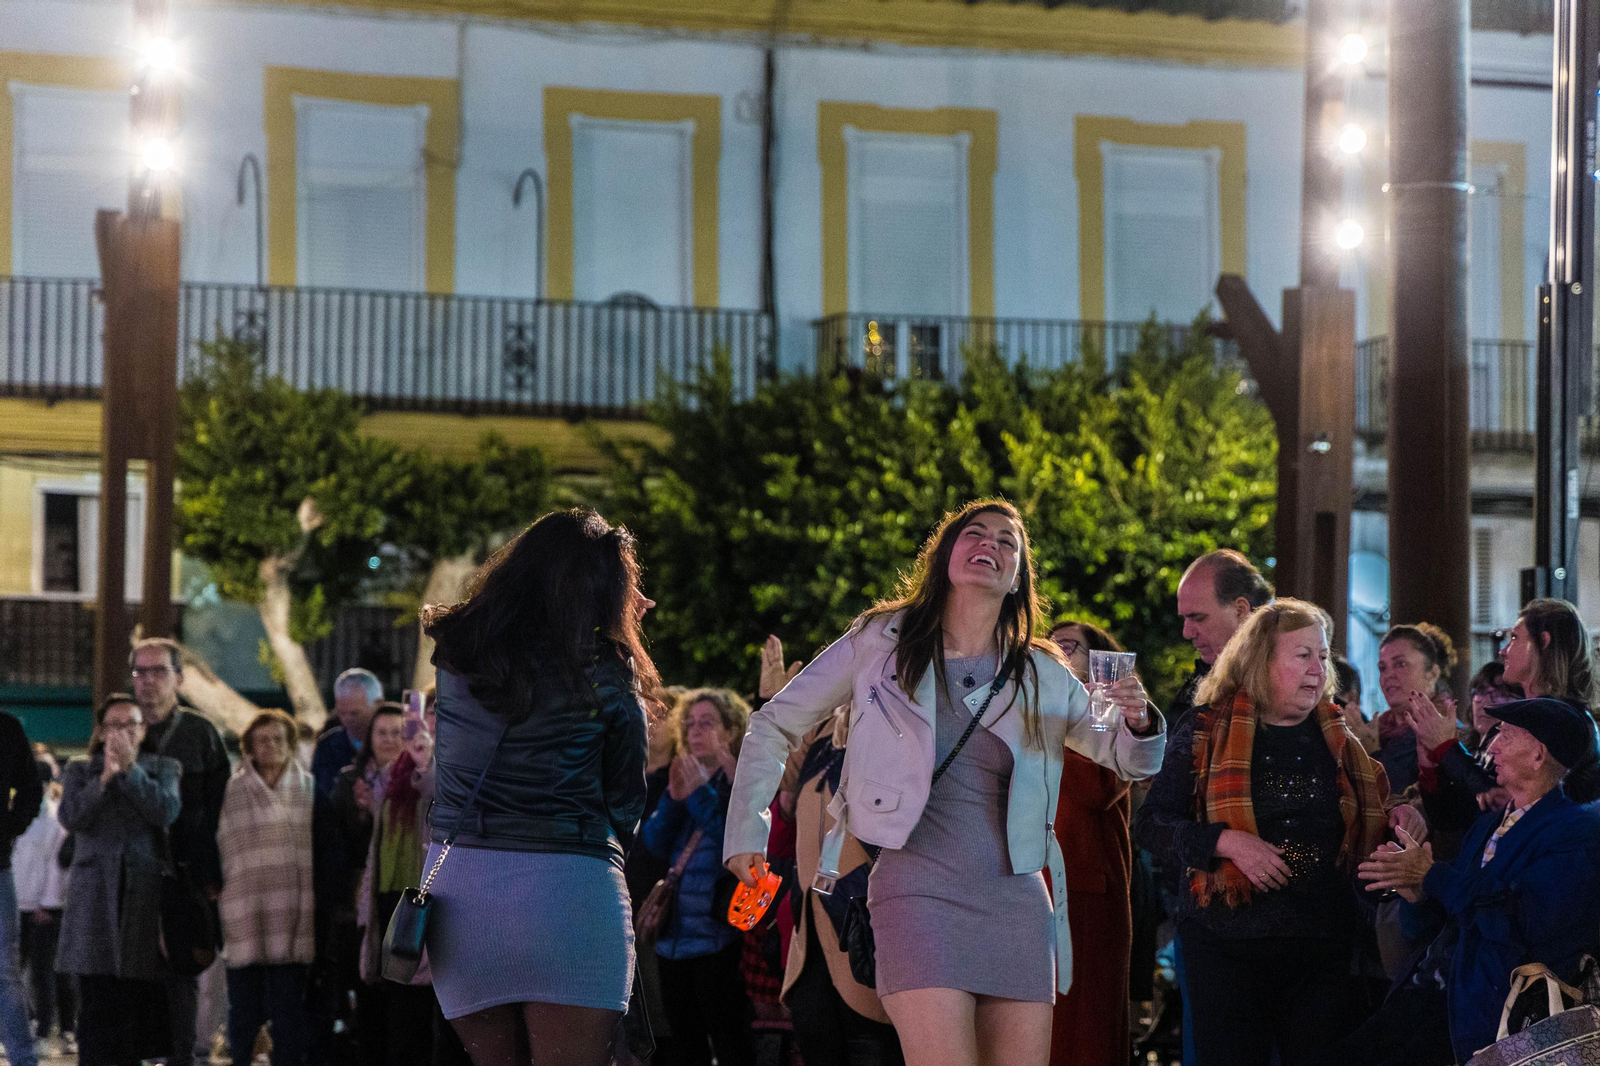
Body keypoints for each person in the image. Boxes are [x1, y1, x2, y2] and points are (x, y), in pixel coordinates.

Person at [725, 500, 1167, 1066]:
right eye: (975, 533)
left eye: (1009, 542)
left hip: (1017, 900)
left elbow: (1128, 759)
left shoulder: (1041, 672)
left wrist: (1139, 717)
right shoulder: (880, 640)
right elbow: (773, 722)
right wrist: (745, 832)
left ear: (1017, 579)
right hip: (915, 890)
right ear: (946, 554)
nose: (992, 544)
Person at [1132, 599, 1411, 1066]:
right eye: (1303, 655)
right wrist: (1225, 842)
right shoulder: (1206, 729)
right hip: (1225, 948)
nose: (1317, 669)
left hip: (1321, 949)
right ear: (1261, 661)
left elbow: (1370, 823)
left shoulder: (1339, 737)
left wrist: (1401, 819)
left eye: (1322, 657)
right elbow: (1152, 823)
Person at [420, 508, 652, 1066]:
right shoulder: (607, 671)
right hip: (568, 889)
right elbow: (625, 804)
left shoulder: (457, 654)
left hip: (463, 889)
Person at [1356, 697, 1600, 1063]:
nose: (1493, 745)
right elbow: (1439, 921)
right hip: (1437, 992)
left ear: (1538, 756)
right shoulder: (1488, 825)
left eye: (1507, 736)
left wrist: (1433, 875)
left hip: (1493, 1018)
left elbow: (1519, 922)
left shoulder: (1574, 831)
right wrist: (1416, 895)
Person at [58, 694, 182, 1066]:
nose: (121, 733)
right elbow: (72, 818)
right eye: (114, 725)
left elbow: (165, 811)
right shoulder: (80, 769)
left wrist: (131, 773)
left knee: (135, 1000)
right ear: (100, 731)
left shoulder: (163, 767)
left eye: (130, 725)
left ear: (143, 731)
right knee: (95, 997)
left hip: (140, 893)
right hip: (92, 895)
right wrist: (105, 779)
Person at [129, 637, 230, 1066]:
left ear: (180, 679)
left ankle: (181, 1057)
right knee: (128, 973)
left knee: (182, 971)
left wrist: (211, 875)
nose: (148, 681)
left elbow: (220, 809)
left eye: (159, 671)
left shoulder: (200, 733)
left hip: (185, 872)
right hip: (130, 872)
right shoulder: (120, 725)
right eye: (140, 672)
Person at [641, 689, 755, 1066]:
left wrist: (698, 796)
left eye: (707, 723)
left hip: (720, 935)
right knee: (685, 1042)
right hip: (674, 936)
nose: (694, 731)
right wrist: (675, 799)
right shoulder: (685, 773)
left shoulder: (741, 780)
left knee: (729, 1039)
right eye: (689, 723)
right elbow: (655, 842)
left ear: (732, 729)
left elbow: (734, 842)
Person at [1044, 620, 1133, 1066]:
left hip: (1085, 895)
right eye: (1050, 645)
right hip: (1026, 891)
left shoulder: (1114, 720)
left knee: (1082, 1037)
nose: (1056, 653)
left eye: (1070, 647)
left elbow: (1095, 787)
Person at [217, 709, 316, 1066]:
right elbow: (224, 844)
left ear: (290, 745)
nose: (270, 746)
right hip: (244, 909)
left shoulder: (308, 789)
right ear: (249, 748)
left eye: (278, 739)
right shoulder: (232, 791)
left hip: (292, 912)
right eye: (262, 740)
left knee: (288, 1012)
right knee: (243, 1011)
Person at [354, 707, 437, 1066]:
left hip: (425, 898)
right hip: (392, 898)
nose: (393, 739)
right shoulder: (390, 775)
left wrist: (424, 765)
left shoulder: (434, 769)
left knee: (425, 1006)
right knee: (399, 1004)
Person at [333, 703, 406, 1066]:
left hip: (400, 890)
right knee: (365, 989)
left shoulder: (415, 778)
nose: (390, 739)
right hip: (360, 898)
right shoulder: (351, 780)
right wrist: (362, 814)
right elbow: (339, 840)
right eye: (382, 732)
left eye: (398, 732)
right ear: (369, 738)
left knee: (399, 991)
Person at [1408, 660, 1522, 861]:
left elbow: (1493, 799)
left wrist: (1445, 748)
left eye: (1498, 693)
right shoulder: (1468, 745)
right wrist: (1429, 767)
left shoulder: (1517, 750)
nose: (1482, 701)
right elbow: (1447, 819)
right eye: (1478, 691)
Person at [1170, 551, 1274, 734]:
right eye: (1184, 619)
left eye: (1198, 618)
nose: (1186, 633)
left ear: (1240, 610)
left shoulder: (1282, 683)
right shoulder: (1197, 681)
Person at [16, 758, 73, 1057]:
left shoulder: (54, 821)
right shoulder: (16, 816)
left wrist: (46, 904)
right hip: (16, 904)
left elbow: (56, 868)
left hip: (41, 909)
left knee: (44, 972)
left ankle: (46, 1029)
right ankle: (22, 1024)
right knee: (12, 971)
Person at [0, 711, 44, 1066]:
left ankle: (23, 1059)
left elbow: (31, 791)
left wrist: (7, 830)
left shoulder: (7, 728)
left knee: (5, 970)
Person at [1372, 624, 1457, 795]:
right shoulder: (1376, 729)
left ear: (1432, 673)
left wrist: (1371, 754)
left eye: (1400, 664)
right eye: (1383, 668)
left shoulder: (1450, 733)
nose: (1389, 675)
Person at [314, 670, 382, 801]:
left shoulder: (395, 743)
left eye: (355, 713)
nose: (346, 720)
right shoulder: (328, 746)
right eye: (342, 713)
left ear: (378, 705)